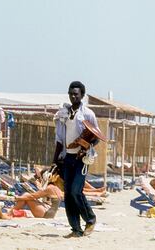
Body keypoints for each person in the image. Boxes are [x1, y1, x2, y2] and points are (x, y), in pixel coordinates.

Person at [53, 81, 99, 238]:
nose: (73, 96)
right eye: (71, 93)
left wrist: (85, 147)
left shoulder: (87, 114)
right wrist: (55, 160)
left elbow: (97, 137)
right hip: (67, 157)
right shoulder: (63, 114)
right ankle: (76, 229)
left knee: (75, 191)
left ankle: (90, 219)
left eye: (76, 94)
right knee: (68, 194)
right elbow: (60, 139)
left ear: (82, 96)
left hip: (81, 158)